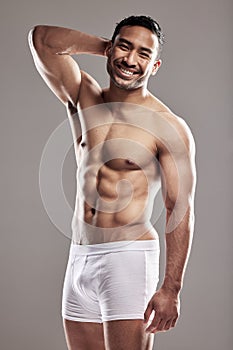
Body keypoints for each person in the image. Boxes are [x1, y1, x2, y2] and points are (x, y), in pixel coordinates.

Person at [28, 15, 196, 350]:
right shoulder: (83, 96)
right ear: (110, 48)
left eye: (143, 54)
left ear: (155, 65)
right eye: (124, 46)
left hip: (127, 258)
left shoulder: (168, 126)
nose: (131, 60)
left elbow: (180, 207)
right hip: (79, 257)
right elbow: (42, 39)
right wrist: (105, 46)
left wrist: (171, 288)